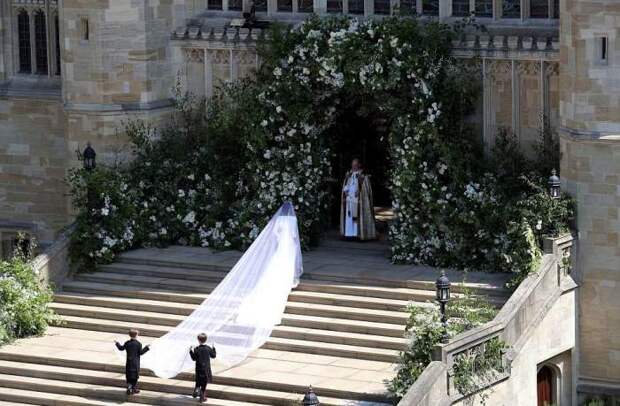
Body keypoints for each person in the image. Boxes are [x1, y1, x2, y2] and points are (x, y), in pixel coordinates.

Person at [340, 158, 376, 240]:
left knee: (356, 218)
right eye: (352, 165)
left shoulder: (364, 176)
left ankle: (357, 234)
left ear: (359, 165)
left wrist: (360, 192)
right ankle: (349, 234)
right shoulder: (349, 174)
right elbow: (346, 184)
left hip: (358, 200)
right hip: (349, 199)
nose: (353, 167)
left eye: (355, 165)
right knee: (349, 218)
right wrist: (345, 192)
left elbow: (365, 190)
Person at [115, 329, 150, 395]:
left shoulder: (127, 343)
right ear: (136, 335)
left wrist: (117, 343)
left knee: (129, 375)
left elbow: (121, 348)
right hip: (135, 363)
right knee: (135, 376)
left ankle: (129, 386)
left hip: (129, 362)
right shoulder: (138, 344)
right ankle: (133, 388)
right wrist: (146, 347)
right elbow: (141, 353)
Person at [190, 333, 217, 403]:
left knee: (199, 380)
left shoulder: (196, 349)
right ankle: (202, 398)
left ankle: (196, 389)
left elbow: (193, 358)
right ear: (206, 340)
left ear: (198, 340)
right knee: (204, 383)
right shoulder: (208, 348)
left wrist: (190, 351)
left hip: (199, 368)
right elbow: (213, 356)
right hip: (206, 369)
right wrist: (214, 348)